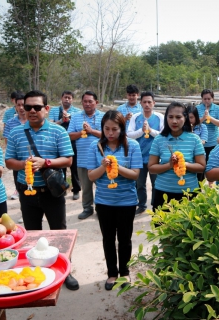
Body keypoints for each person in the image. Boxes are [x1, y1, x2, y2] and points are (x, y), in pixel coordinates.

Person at [4, 90, 79, 290]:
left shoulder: (58, 132)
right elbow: (9, 162)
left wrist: (45, 162)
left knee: (59, 233)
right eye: (28, 107)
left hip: (52, 192)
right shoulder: (15, 132)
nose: (32, 111)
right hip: (27, 192)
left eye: (37, 107)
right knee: (32, 235)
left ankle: (65, 271)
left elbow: (68, 159)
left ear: (46, 109)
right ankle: (37, 273)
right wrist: (24, 164)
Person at [87, 111, 142, 290]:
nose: (110, 133)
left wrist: (117, 166)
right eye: (107, 129)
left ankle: (125, 273)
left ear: (122, 128)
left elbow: (135, 175)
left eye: (115, 129)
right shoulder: (96, 147)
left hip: (126, 202)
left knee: (125, 239)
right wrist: (103, 167)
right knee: (108, 239)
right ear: (102, 129)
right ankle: (112, 273)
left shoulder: (132, 146)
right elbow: (90, 176)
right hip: (104, 202)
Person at [149, 102, 206, 210]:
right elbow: (151, 168)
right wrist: (169, 165)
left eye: (178, 117)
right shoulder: (159, 139)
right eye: (170, 117)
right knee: (161, 226)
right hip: (163, 193)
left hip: (188, 193)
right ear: (166, 118)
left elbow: (202, 167)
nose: (174, 121)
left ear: (185, 118)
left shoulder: (194, 139)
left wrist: (183, 164)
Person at [67, 91, 105, 220]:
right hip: (83, 158)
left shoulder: (104, 116)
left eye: (90, 101)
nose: (87, 104)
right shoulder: (76, 117)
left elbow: (108, 135)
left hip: (101, 158)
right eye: (85, 101)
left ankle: (101, 208)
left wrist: (91, 131)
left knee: (102, 185)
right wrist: (81, 132)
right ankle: (87, 208)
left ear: (96, 102)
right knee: (86, 186)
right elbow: (69, 135)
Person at [127, 91, 164, 215]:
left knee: (156, 183)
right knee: (140, 184)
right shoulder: (135, 117)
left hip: (155, 157)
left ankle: (155, 205)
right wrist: (141, 131)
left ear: (154, 103)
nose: (147, 104)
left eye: (149, 102)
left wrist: (150, 130)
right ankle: (141, 204)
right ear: (140, 103)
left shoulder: (159, 117)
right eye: (144, 102)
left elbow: (163, 135)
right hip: (138, 156)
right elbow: (129, 134)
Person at [49, 91, 82, 200]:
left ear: (72, 99)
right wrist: (61, 120)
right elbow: (50, 124)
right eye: (65, 97)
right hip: (57, 141)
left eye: (69, 98)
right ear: (61, 98)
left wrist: (70, 119)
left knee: (74, 167)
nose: (67, 99)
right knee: (60, 167)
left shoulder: (77, 111)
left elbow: (79, 127)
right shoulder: (54, 110)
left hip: (73, 141)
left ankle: (76, 190)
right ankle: (61, 188)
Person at [196, 89, 219, 181]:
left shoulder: (218, 108)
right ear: (202, 99)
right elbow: (193, 123)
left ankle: (210, 187)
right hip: (200, 143)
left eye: (209, 99)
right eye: (205, 99)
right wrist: (203, 118)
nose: (207, 101)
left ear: (213, 99)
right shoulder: (197, 108)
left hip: (213, 143)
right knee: (200, 167)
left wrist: (210, 118)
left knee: (212, 167)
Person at [3, 93, 26, 202]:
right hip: (17, 159)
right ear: (15, 106)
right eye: (18, 105)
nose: (21, 108)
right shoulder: (10, 123)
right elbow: (7, 140)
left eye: (23, 104)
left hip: (33, 158)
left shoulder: (33, 122)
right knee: (19, 183)